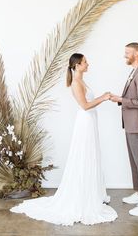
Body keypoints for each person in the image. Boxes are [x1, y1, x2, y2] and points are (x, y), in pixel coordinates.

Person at [10, 53, 118, 225]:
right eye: (85, 62)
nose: (88, 64)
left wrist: (102, 96)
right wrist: (103, 98)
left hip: (90, 121)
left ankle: (91, 193)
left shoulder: (81, 80)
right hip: (85, 122)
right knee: (83, 156)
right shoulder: (76, 83)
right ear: (76, 65)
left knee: (91, 155)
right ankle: (82, 197)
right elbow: (84, 105)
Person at [110, 42, 138, 216]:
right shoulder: (134, 71)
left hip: (137, 125)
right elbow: (133, 97)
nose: (125, 56)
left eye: (127, 52)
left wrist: (121, 100)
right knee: (135, 161)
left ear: (136, 53)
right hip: (131, 124)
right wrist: (120, 99)